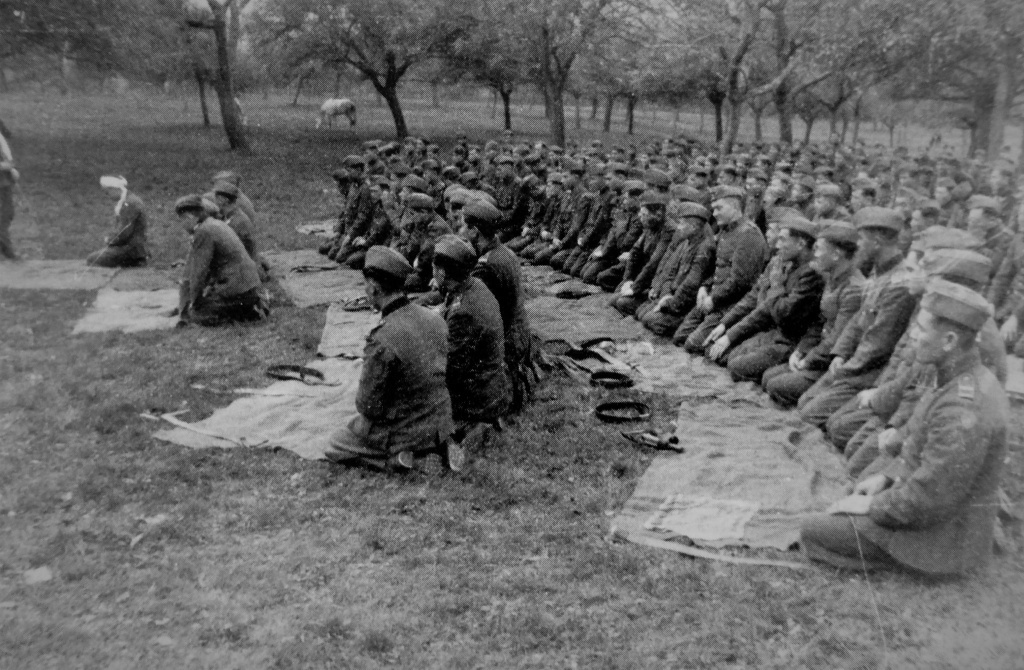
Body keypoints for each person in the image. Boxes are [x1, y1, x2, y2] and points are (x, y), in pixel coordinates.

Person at [801, 280, 1009, 576]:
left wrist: (873, 506)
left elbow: (929, 499)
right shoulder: (954, 373)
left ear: (949, 341)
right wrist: (887, 477)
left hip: (945, 535)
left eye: (921, 329)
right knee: (855, 489)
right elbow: (920, 443)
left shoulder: (963, 407)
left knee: (812, 528)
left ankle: (897, 559)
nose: (913, 335)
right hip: (932, 505)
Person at [325, 246, 456, 472]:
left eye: (366, 285)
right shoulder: (434, 319)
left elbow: (368, 406)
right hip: (441, 421)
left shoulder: (383, 338)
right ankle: (439, 447)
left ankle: (403, 461)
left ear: (374, 288)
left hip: (407, 430)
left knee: (336, 443)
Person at [796, 207, 917, 429]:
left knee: (815, 416)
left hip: (871, 371)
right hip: (854, 362)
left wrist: (845, 369)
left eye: (862, 239)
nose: (857, 245)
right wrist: (840, 353)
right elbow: (857, 320)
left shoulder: (899, 285)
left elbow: (878, 344)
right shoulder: (880, 271)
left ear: (877, 242)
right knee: (804, 404)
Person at [705, 215, 825, 382]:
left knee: (736, 366)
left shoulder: (810, 274)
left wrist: (776, 285)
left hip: (791, 339)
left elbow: (782, 312)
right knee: (721, 355)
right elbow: (755, 298)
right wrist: (728, 329)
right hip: (773, 332)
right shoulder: (787, 263)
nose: (777, 245)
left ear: (800, 244)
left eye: (783, 240)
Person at [762, 222, 865, 407]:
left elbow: (837, 339)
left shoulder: (853, 289)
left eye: (819, 249)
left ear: (836, 255)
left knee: (776, 385)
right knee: (769, 377)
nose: (815, 254)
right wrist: (801, 350)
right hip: (820, 351)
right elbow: (820, 323)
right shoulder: (832, 278)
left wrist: (808, 360)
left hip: (834, 360)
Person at [434, 234, 511, 442]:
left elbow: (451, 370)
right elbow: (447, 308)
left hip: (479, 399)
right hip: (491, 385)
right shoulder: (473, 285)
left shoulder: (463, 312)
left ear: (442, 272)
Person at [674, 187, 771, 351]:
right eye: (714, 209)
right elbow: (717, 268)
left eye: (719, 208)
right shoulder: (725, 230)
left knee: (692, 345)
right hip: (716, 298)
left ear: (734, 207)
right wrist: (705, 287)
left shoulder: (749, 234)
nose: (715, 213)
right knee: (679, 337)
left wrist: (714, 298)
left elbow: (740, 281)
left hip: (731, 305)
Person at [461, 200, 535, 414]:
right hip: (519, 335)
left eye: (464, 226)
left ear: (475, 231)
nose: (461, 230)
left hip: (505, 343)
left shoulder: (487, 265)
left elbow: (476, 313)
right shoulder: (504, 252)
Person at [174, 194, 269, 327]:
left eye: (182, 220)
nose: (182, 225)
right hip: (249, 286)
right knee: (207, 301)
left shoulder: (203, 232)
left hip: (237, 290)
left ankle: (248, 312)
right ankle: (253, 306)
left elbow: (198, 274)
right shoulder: (216, 224)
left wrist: (194, 303)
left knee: (196, 314)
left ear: (189, 217)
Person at [86, 176, 149, 267]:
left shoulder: (129, 203)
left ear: (114, 189)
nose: (107, 196)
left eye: (107, 192)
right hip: (131, 247)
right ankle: (133, 261)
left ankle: (134, 262)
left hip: (131, 249)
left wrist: (109, 240)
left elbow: (124, 232)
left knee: (91, 259)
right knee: (96, 256)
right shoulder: (128, 200)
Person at [0, 126, 19, 260]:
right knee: (4, 214)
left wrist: (10, 168)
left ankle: (5, 248)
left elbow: (8, 160)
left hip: (4, 182)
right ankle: (7, 251)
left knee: (7, 213)